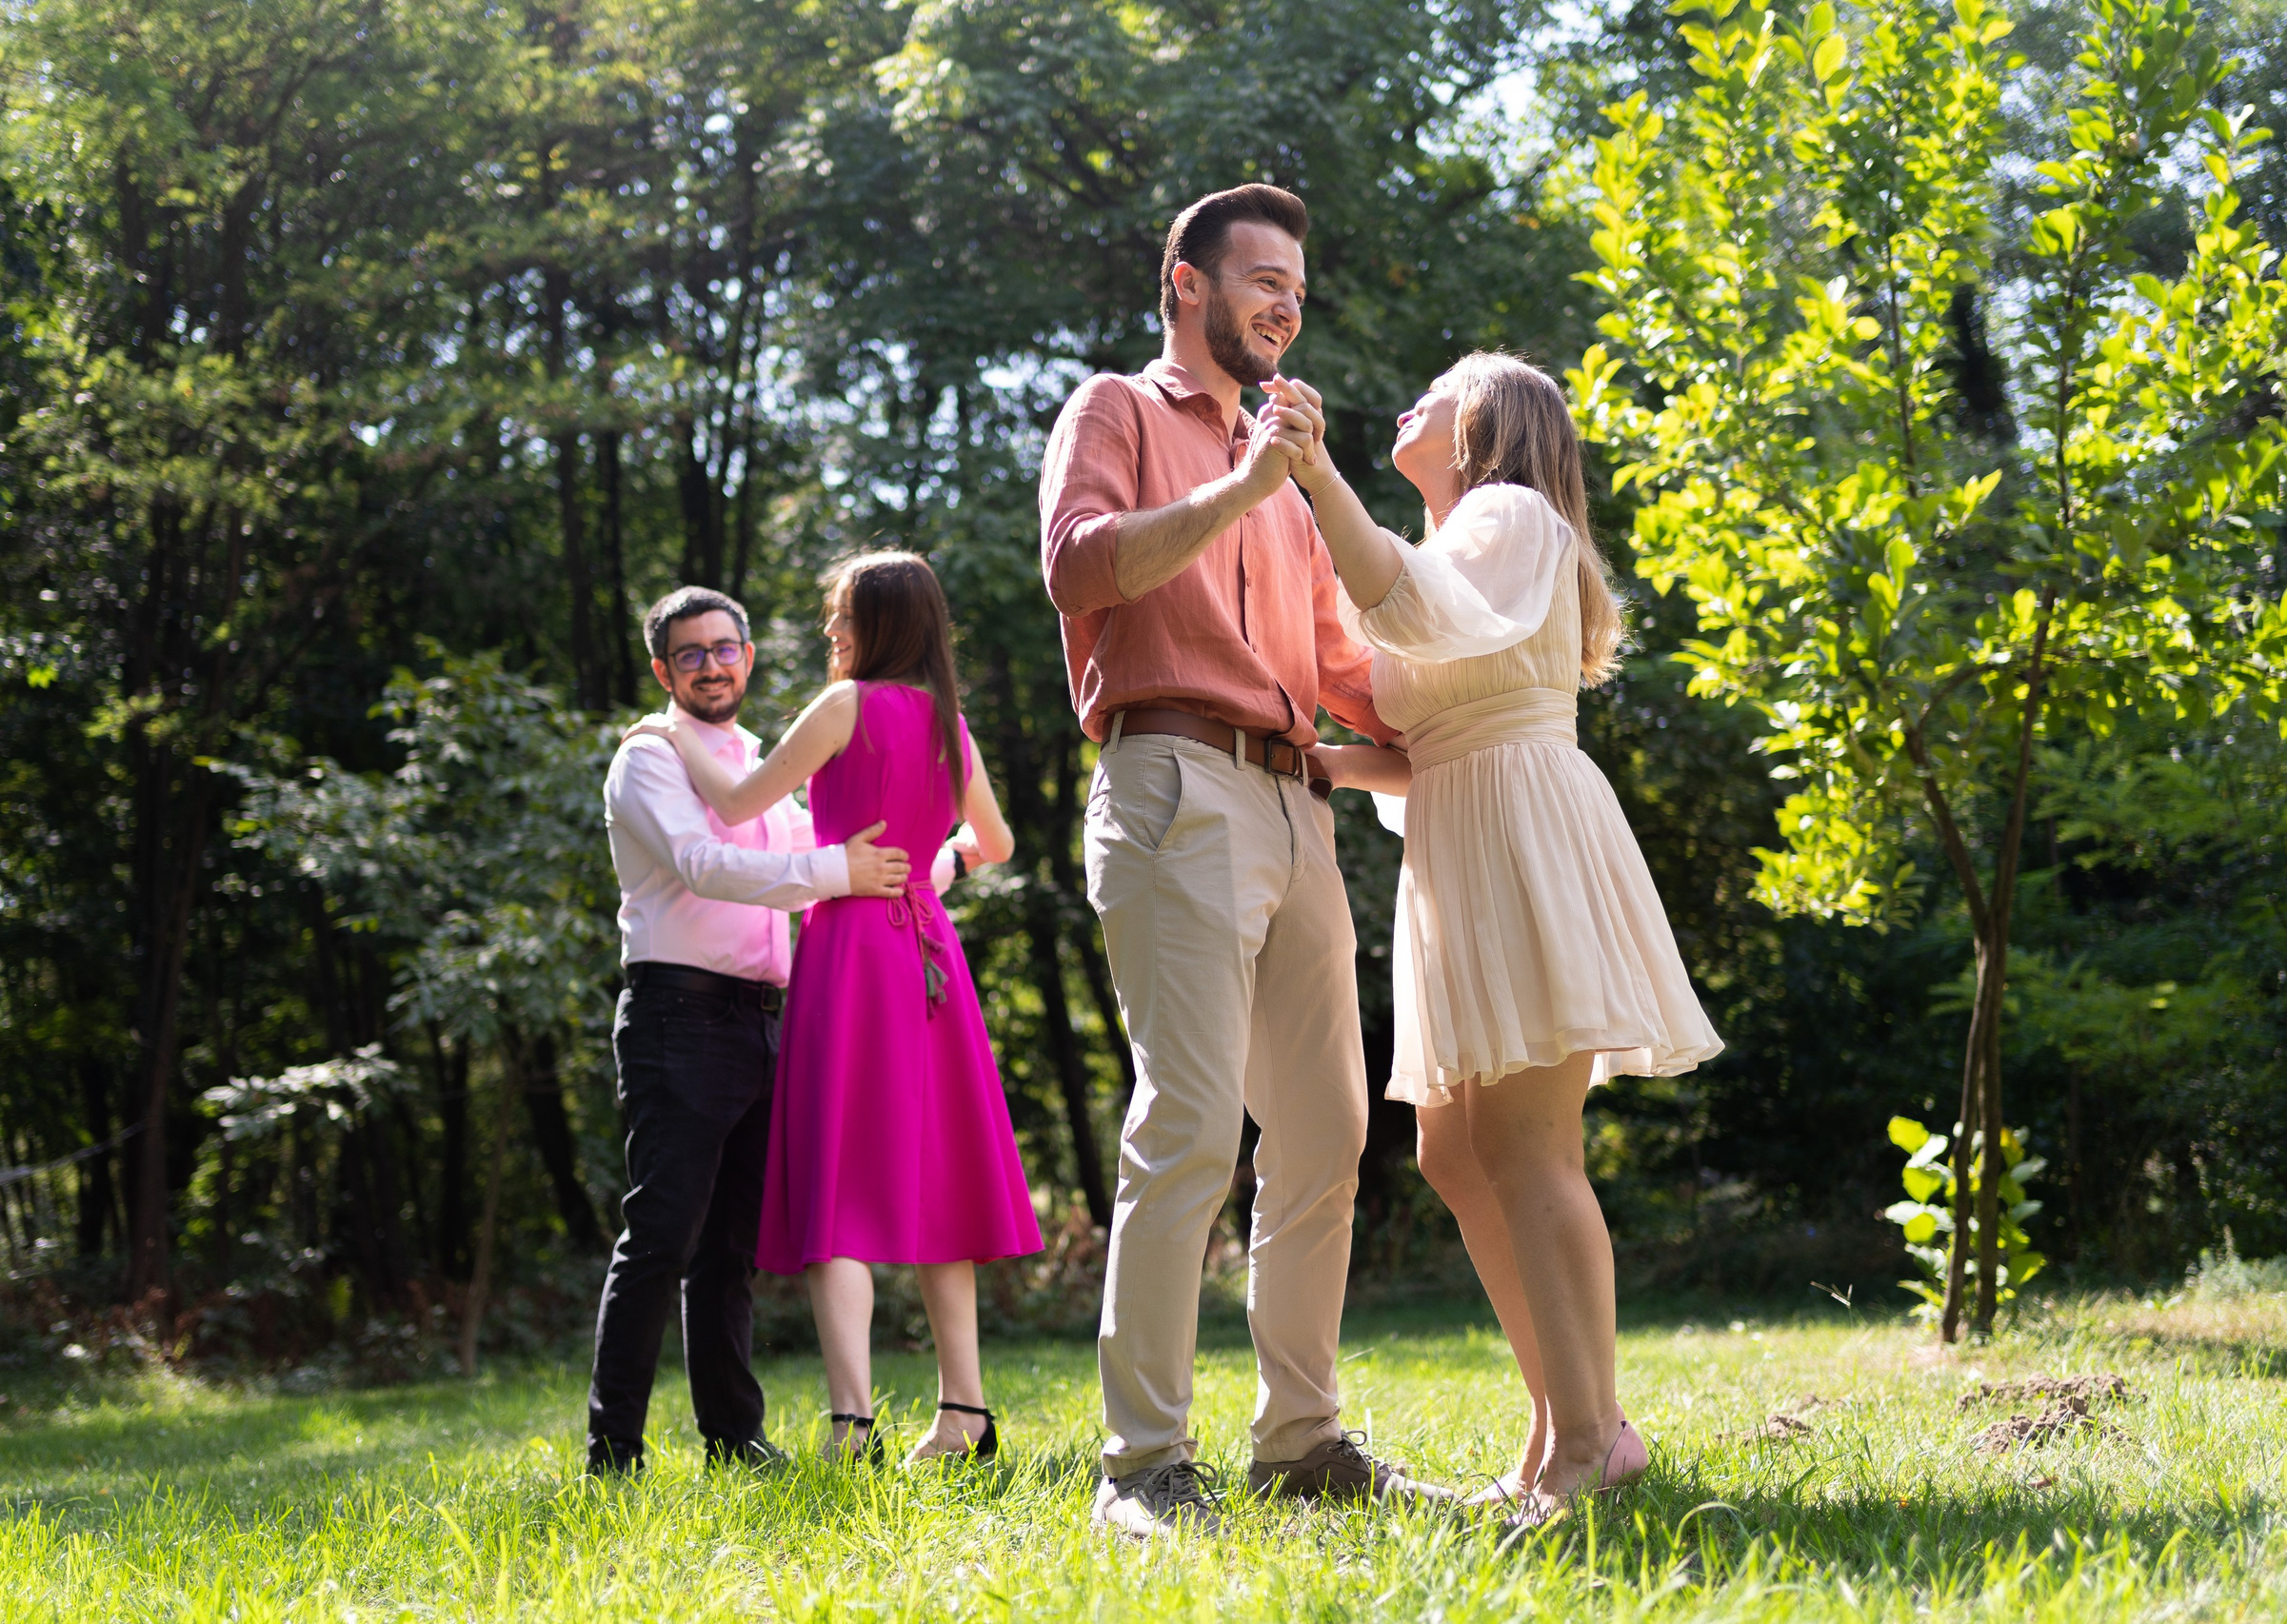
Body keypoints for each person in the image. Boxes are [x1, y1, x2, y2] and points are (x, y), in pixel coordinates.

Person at [1039, 181, 1452, 1538]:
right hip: (1169, 780)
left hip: (1296, 804)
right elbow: (1082, 570)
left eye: (1297, 286)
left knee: (1328, 1129)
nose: (1283, 301)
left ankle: (1301, 1439)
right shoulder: (1119, 410)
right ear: (1186, 286)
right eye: (1259, 277)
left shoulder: (1286, 468)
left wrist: (1492, 705)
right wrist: (1245, 482)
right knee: (1194, 1123)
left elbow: (1343, 670)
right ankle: (1142, 1463)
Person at [1257, 354, 1723, 1524]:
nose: (1406, 400)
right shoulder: (1461, 550)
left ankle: (1586, 1446)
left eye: (1438, 386)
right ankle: (1566, 1421)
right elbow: (1423, 744)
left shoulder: (1507, 513)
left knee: (1527, 1146)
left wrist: (1311, 468)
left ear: (1488, 419)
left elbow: (1398, 602)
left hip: (1519, 833)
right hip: (1462, 838)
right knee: (1457, 1155)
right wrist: (1320, 757)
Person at [627, 552, 1040, 1467]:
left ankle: (854, 1424)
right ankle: (963, 1413)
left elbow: (737, 801)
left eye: (839, 618)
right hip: (930, 950)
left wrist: (665, 735)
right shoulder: (950, 723)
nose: (829, 635)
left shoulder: (845, 706)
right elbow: (997, 843)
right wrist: (934, 866)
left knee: (838, 1179)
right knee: (942, 1174)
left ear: (874, 626)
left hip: (852, 950)